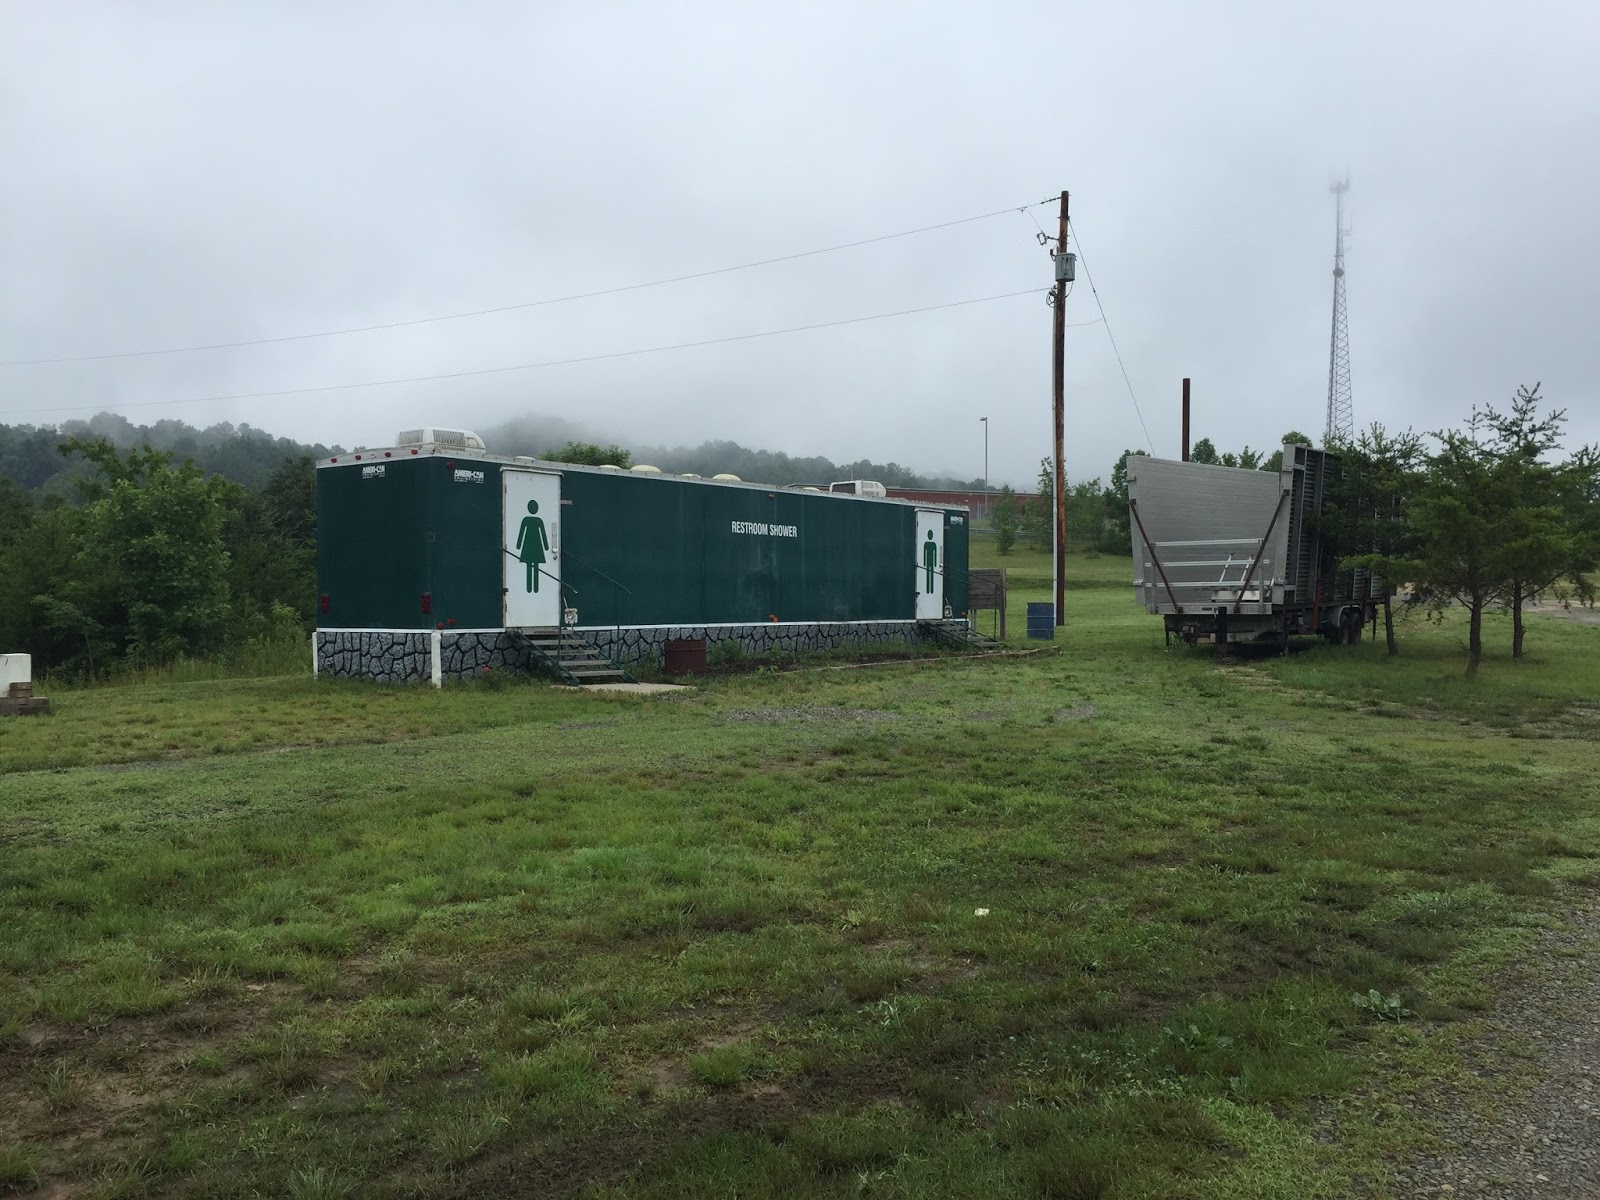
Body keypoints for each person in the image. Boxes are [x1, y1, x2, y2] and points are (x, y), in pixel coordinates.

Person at [516, 500, 549, 592]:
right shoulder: (538, 520)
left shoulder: (526, 520)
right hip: (537, 545)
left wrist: (519, 545)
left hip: (528, 545)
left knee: (529, 565)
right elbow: (543, 534)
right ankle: (534, 589)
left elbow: (522, 533)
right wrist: (546, 546)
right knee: (535, 566)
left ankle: (530, 589)